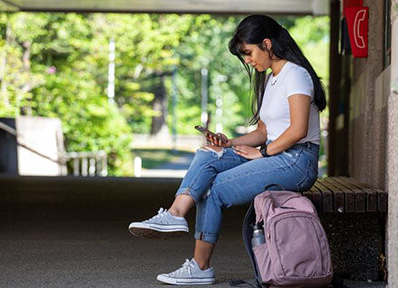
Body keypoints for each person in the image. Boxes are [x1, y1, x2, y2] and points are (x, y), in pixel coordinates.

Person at [128, 14, 326, 285]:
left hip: (297, 160)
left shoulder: (296, 75)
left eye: (249, 53)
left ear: (267, 44)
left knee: (216, 187)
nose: (247, 60)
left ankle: (200, 266)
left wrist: (264, 153)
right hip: (277, 153)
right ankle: (175, 214)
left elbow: (298, 130)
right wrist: (229, 143)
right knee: (207, 155)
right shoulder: (272, 79)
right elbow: (264, 132)